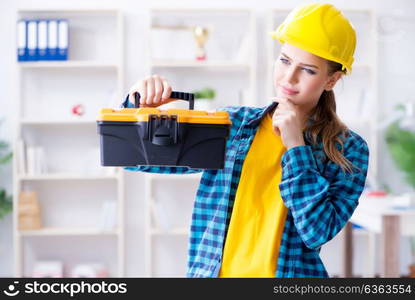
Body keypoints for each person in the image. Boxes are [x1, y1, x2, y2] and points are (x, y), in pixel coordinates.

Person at [121, 3, 369, 278]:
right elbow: (132, 158)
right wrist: (137, 106)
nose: (289, 77)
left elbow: (317, 231)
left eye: (308, 70)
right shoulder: (233, 124)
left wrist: (296, 146)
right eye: (285, 60)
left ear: (332, 80)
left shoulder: (348, 149)